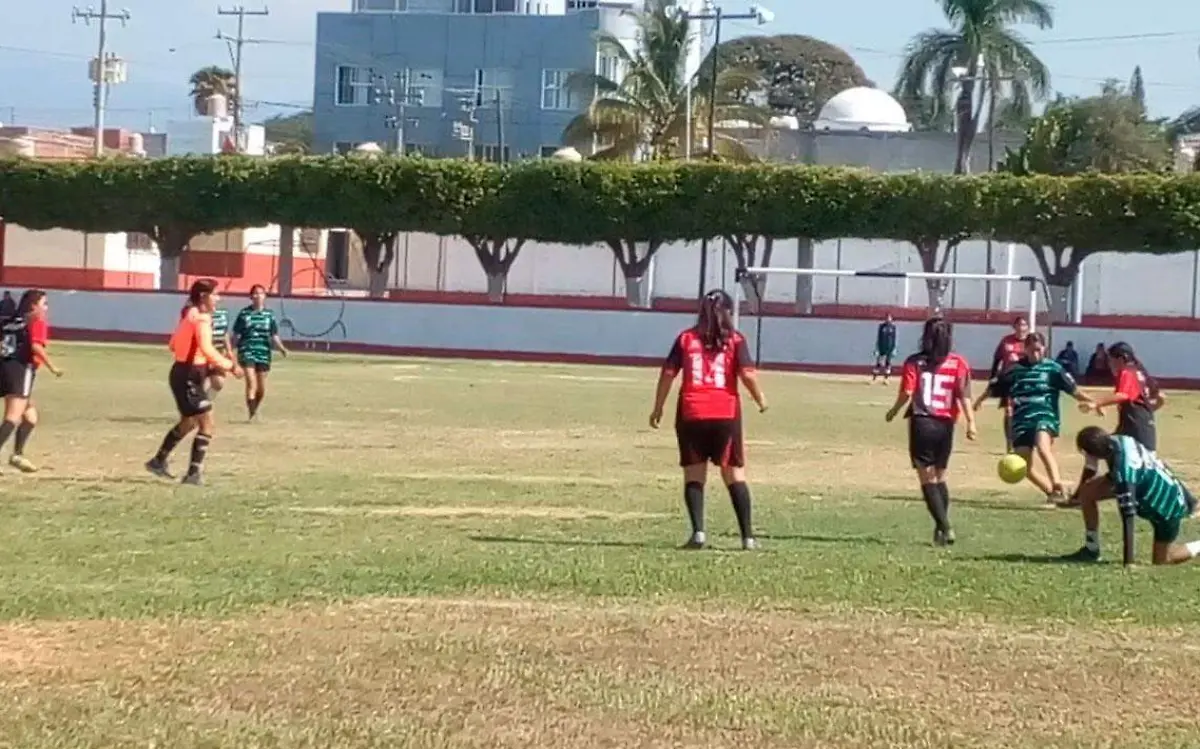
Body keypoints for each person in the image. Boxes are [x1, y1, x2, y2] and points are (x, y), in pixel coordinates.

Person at [649, 289, 768, 551]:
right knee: (734, 474)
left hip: (692, 412)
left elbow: (668, 373)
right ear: (728, 311)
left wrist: (658, 407)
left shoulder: (686, 339)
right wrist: (760, 399)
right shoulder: (735, 340)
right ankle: (747, 538)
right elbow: (747, 374)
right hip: (725, 412)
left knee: (694, 473)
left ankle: (699, 533)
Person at [885, 317, 977, 546]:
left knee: (926, 477)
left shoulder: (914, 362)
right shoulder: (959, 362)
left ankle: (945, 526)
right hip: (946, 425)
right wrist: (971, 422)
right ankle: (941, 528)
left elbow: (907, 392)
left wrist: (894, 410)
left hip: (922, 422)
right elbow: (963, 395)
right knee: (941, 475)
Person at [976, 332, 1096, 504]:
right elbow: (993, 388)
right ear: (1025, 349)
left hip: (1045, 415)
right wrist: (979, 401)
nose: (1036, 354)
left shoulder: (1053, 369)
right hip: (1022, 420)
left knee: (1042, 445)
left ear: (1045, 349)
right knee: (1023, 465)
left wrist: (1095, 403)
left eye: (1039, 350)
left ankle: (1056, 485)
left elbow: (1075, 391)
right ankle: (1051, 493)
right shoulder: (1014, 370)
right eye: (1032, 350)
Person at [145, 279, 241, 486]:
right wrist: (230, 365)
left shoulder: (189, 315)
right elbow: (207, 348)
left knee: (189, 422)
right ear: (204, 296)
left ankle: (158, 461)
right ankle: (193, 474)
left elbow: (172, 344)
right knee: (207, 424)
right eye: (216, 294)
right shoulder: (201, 319)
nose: (219, 298)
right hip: (189, 375)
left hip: (183, 373)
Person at [1063, 426, 1198, 566]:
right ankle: (1091, 549)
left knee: (1162, 560)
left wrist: (1129, 562)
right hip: (1151, 486)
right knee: (1088, 492)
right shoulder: (1119, 440)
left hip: (1166, 507)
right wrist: (1076, 496)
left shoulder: (1125, 475)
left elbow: (1128, 516)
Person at [1069, 342, 1164, 505]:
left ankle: (1087, 495)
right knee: (1096, 450)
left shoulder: (1127, 371)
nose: (1109, 365)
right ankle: (1081, 496)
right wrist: (1147, 413)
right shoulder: (1140, 373)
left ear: (1122, 359)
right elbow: (1161, 397)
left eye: (1111, 360)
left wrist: (1096, 403)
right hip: (1139, 428)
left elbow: (1123, 395)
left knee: (1146, 469)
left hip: (1134, 431)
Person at [0, 289, 64, 472]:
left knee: (30, 418)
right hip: (21, 369)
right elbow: (36, 346)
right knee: (12, 417)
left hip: (5, 368)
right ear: (33, 306)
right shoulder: (36, 321)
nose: (46, 308)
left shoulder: (10, 321)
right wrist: (53, 367)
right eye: (44, 303)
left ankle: (17, 455)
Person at [232, 284, 288, 420]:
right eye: (255, 293)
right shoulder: (244, 314)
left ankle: (254, 407)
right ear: (251, 297)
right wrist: (231, 350)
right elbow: (236, 334)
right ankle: (252, 412)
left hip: (263, 351)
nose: (258, 296)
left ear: (265, 296)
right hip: (247, 349)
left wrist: (281, 348)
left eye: (261, 293)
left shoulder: (269, 315)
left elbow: (273, 334)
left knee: (261, 388)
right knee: (251, 383)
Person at [988, 316, 1029, 452]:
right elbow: (997, 358)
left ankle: (1025, 441)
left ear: (1027, 327)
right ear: (1014, 326)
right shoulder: (1006, 341)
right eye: (1019, 324)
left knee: (1024, 412)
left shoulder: (1031, 341)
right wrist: (993, 376)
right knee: (1009, 412)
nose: (1021, 327)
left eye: (1024, 325)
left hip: (1026, 381)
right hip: (1009, 382)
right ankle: (1009, 443)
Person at [207, 298, 233, 396]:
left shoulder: (223, 313)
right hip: (204, 352)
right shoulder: (202, 313)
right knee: (201, 380)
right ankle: (198, 405)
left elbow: (224, 332)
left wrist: (229, 350)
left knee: (219, 383)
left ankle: (204, 401)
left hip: (219, 351)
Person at [871, 313, 897, 384]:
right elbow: (878, 337)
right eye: (887, 318)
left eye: (889, 318)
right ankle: (874, 379)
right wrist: (877, 348)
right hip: (881, 347)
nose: (888, 319)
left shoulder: (893, 327)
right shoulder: (881, 326)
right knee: (878, 363)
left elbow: (894, 338)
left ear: (891, 319)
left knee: (888, 363)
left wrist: (894, 348)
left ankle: (886, 379)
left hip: (890, 348)